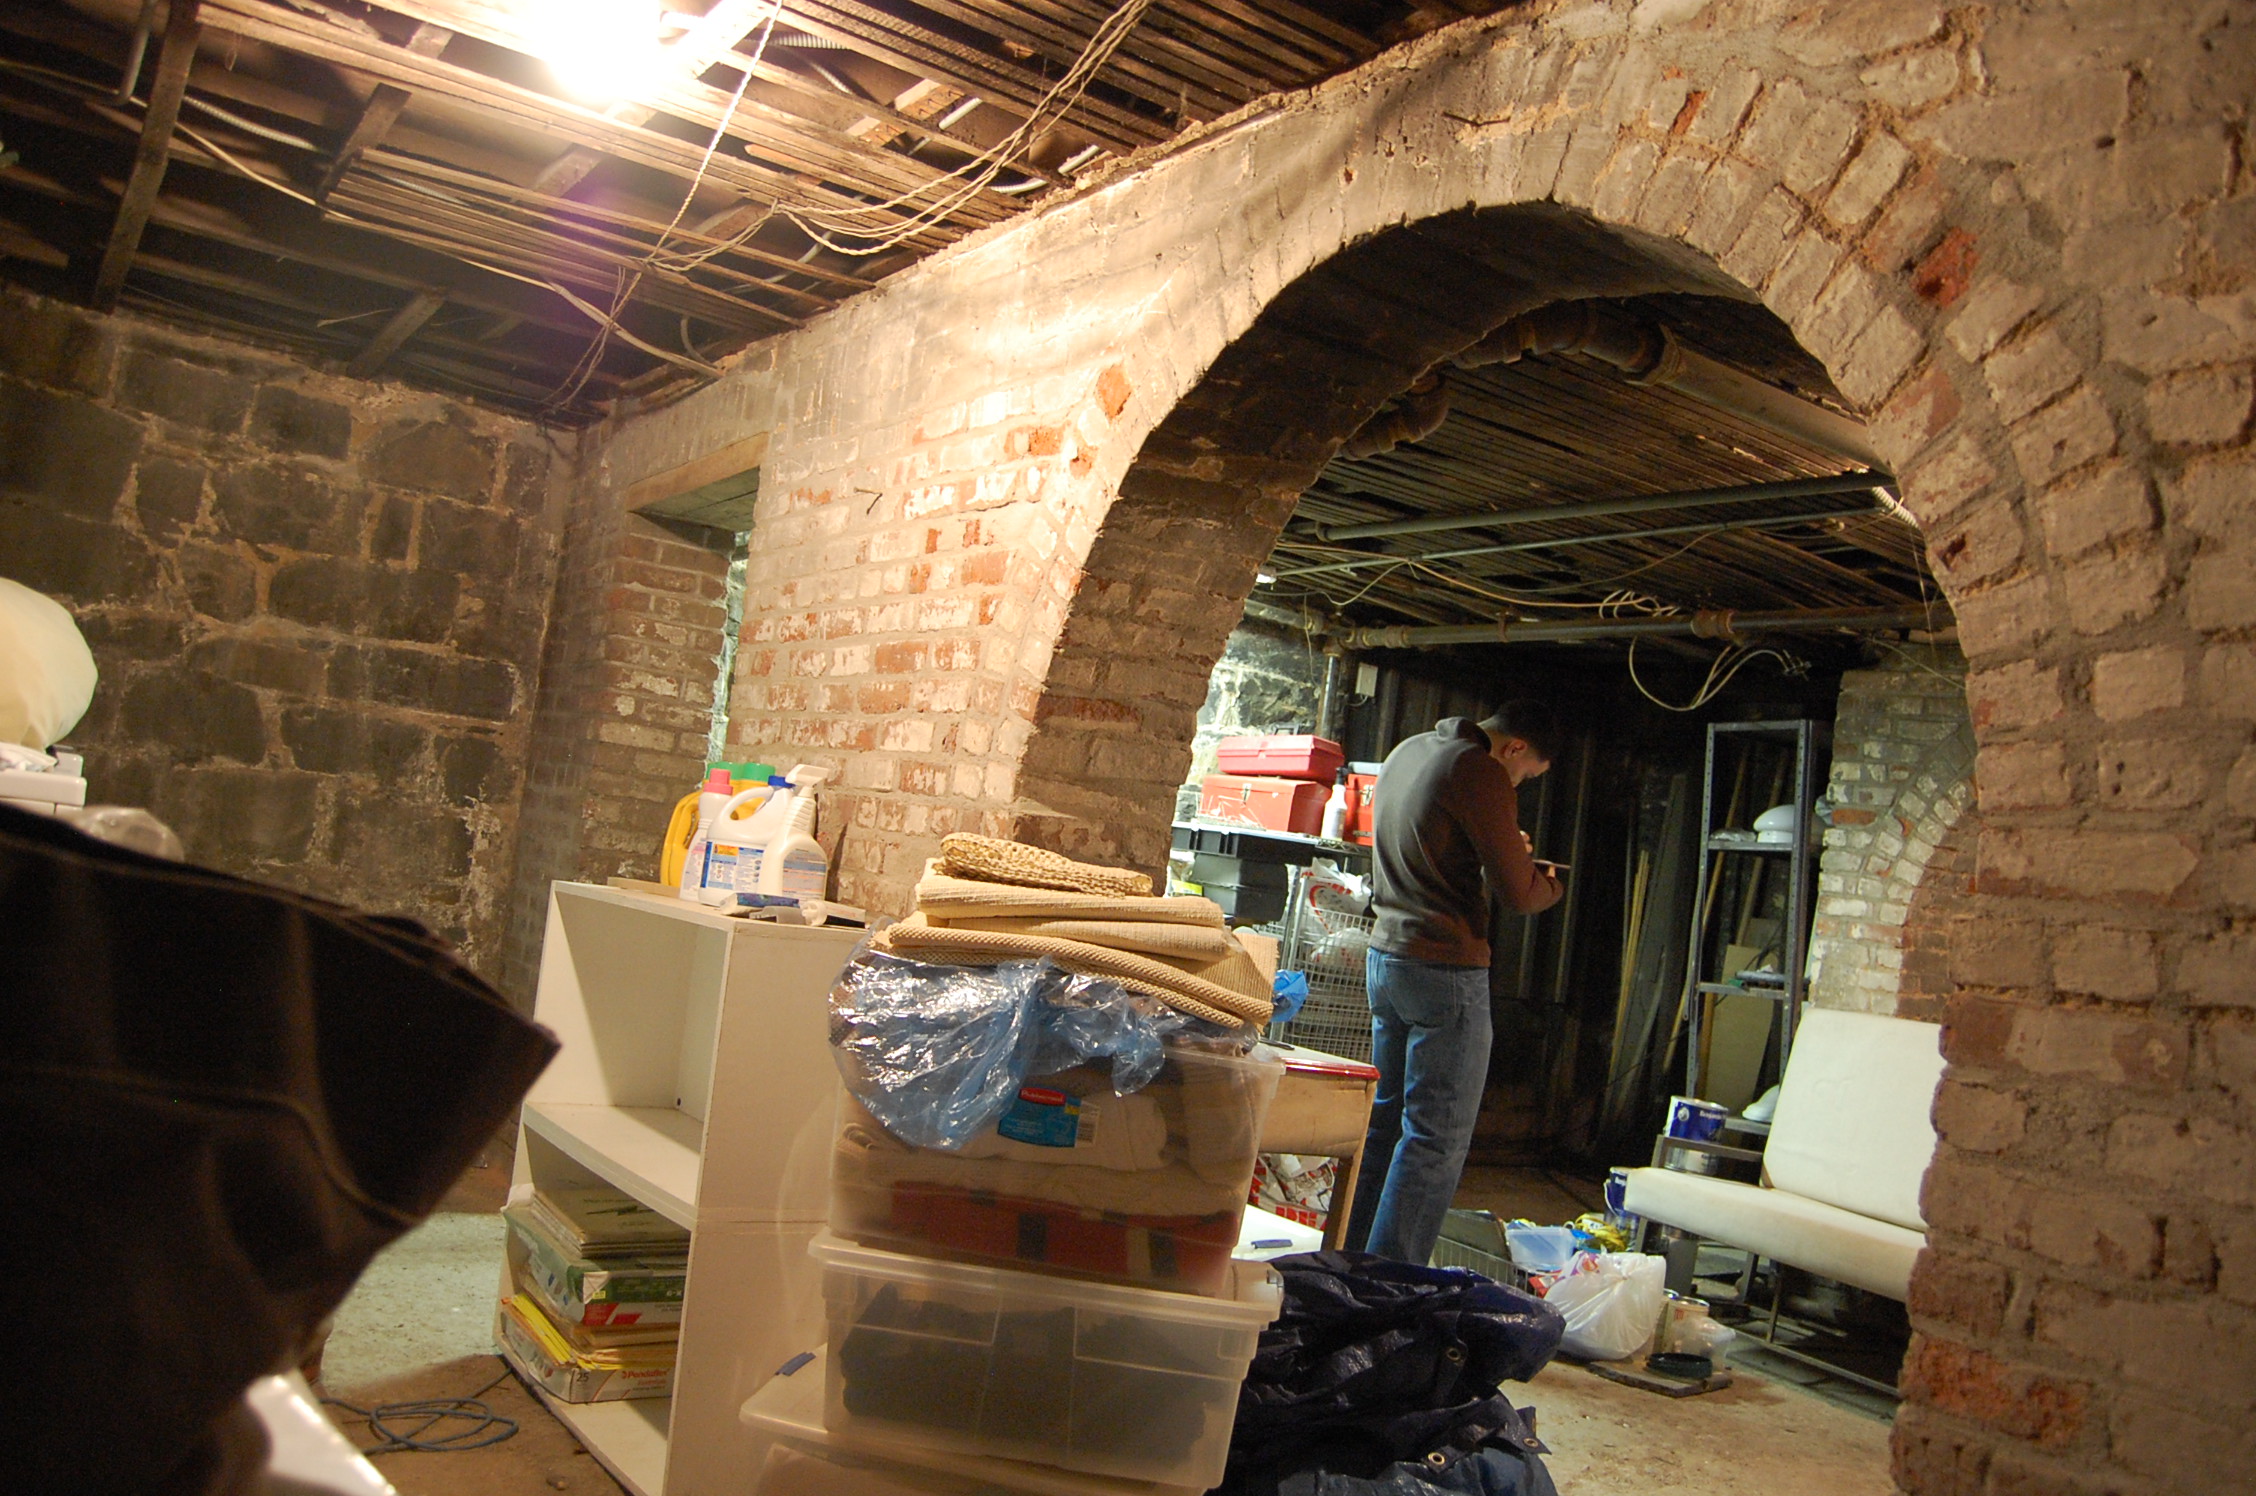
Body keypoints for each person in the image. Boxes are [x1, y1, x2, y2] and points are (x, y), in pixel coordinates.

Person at [1344, 700, 1564, 1263]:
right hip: (1444, 968)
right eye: (1525, 773)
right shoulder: (1480, 769)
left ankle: (1348, 1264)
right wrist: (1551, 881)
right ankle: (1390, 1284)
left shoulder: (1410, 750)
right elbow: (1521, 894)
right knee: (1435, 1141)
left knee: (1387, 1127)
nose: (1519, 782)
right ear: (1513, 748)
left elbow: (1442, 844)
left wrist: (1505, 849)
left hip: (1387, 958)